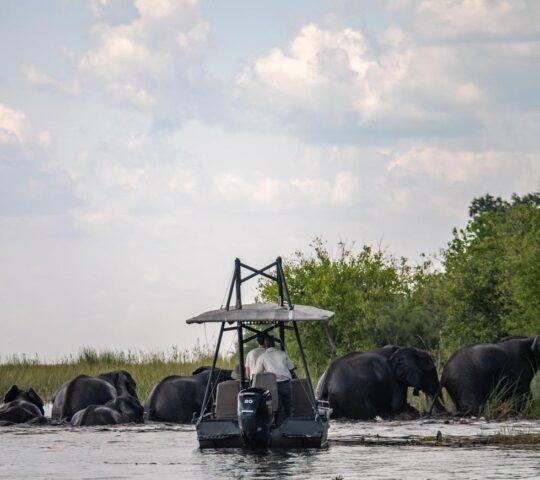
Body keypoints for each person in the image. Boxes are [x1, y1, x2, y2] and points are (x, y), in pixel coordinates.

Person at [252, 336, 295, 423]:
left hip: (272, 386)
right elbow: (291, 368)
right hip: (286, 384)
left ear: (265, 345)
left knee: (277, 408)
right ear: (274, 344)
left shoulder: (262, 357)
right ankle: (290, 426)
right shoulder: (283, 353)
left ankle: (279, 428)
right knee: (288, 407)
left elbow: (256, 374)